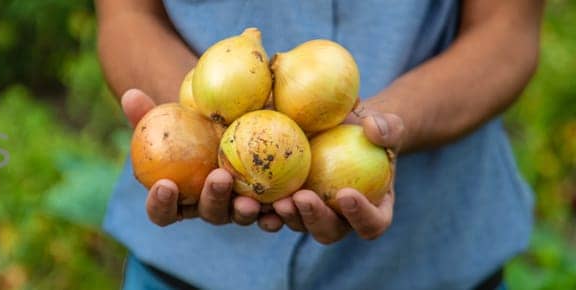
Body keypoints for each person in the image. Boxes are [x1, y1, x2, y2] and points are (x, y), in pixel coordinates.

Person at [95, 0, 543, 288]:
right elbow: (127, 14)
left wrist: (387, 121)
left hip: (431, 257)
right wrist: (191, 127)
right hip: (187, 267)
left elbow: (507, 30)